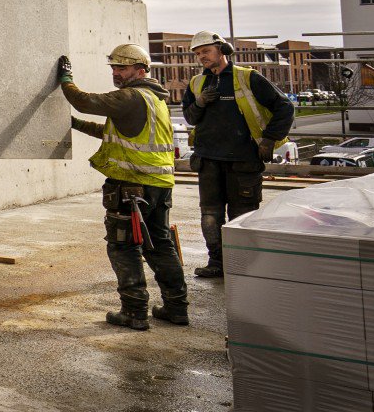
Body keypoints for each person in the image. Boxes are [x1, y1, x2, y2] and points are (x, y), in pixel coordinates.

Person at [58, 45, 187, 330]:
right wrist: (75, 125)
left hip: (132, 187)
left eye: (122, 68)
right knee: (160, 246)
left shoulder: (130, 96)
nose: (116, 73)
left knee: (123, 247)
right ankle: (176, 307)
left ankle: (134, 311)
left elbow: (84, 101)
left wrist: (66, 80)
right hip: (159, 185)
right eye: (114, 68)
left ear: (140, 70)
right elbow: (111, 133)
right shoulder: (155, 99)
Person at [181, 31, 294, 278]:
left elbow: (284, 107)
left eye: (206, 51)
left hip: (243, 160)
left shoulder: (247, 78)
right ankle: (217, 263)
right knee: (210, 215)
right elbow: (189, 118)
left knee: (242, 215)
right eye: (198, 54)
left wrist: (269, 139)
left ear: (222, 50)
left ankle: (244, 265)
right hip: (208, 160)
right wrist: (199, 102)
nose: (202, 57)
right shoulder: (197, 83)